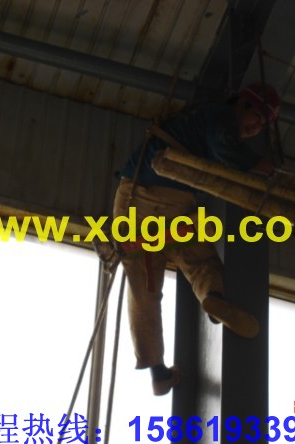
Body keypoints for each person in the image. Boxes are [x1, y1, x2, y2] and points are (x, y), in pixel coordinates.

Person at [112, 83, 281, 395]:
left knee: (147, 285)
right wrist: (263, 167)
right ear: (242, 103)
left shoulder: (200, 119)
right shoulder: (220, 115)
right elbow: (226, 148)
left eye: (263, 125)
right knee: (197, 263)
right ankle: (211, 294)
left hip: (152, 203)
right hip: (152, 197)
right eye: (257, 118)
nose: (256, 128)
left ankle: (159, 370)